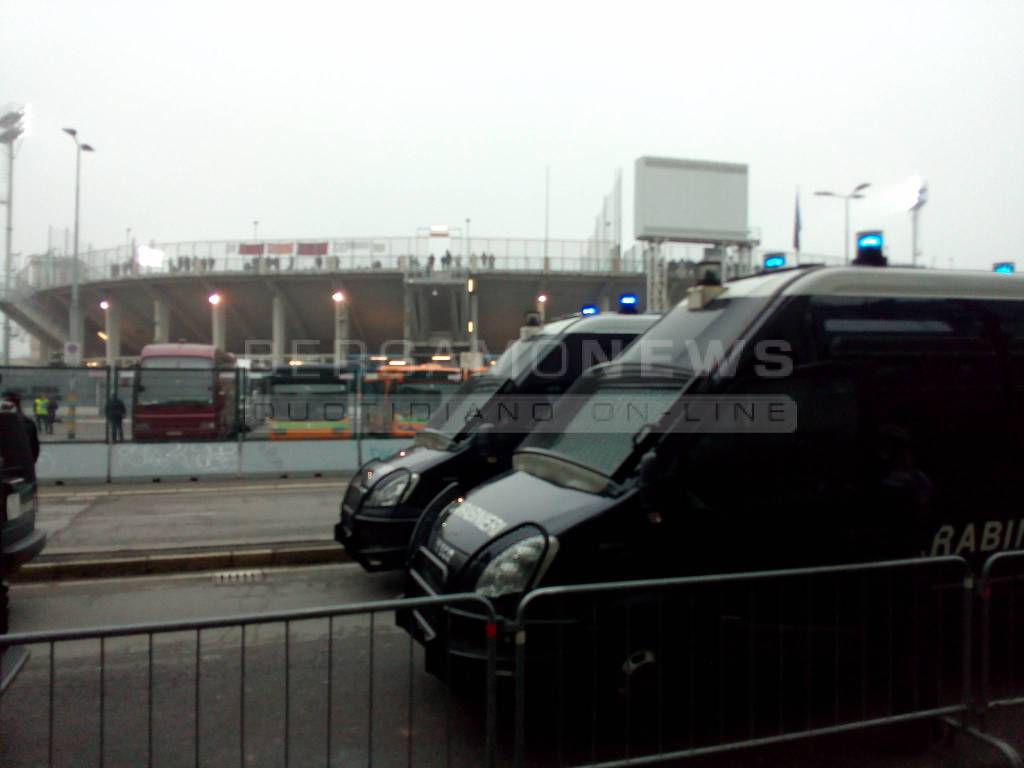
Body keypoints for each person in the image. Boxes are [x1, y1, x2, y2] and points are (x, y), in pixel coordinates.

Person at [2, 390, 39, 465]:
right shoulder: (27, 423)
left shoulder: (25, 423)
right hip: (23, 468)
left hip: (7, 469)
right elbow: (34, 449)